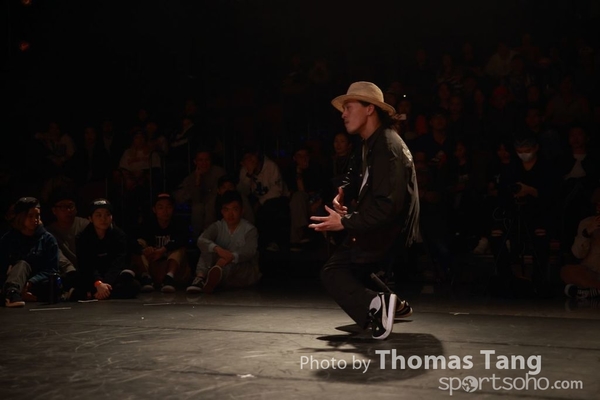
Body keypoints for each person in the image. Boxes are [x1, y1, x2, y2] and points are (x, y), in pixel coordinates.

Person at [308, 81, 420, 340]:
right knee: (355, 269)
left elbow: (386, 207)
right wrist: (344, 191)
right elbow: (355, 172)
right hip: (384, 226)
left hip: (388, 230)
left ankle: (377, 306)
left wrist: (344, 222)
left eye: (349, 107)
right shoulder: (370, 142)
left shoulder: (387, 147)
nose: (343, 114)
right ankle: (393, 304)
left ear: (370, 109)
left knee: (333, 272)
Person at [186, 190, 260, 294]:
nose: (230, 214)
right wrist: (218, 249)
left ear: (242, 210)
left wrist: (231, 257)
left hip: (242, 271)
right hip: (220, 263)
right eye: (226, 210)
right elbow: (201, 240)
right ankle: (200, 278)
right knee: (207, 248)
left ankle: (215, 278)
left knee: (232, 265)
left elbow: (249, 251)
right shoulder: (218, 226)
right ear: (222, 211)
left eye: (234, 209)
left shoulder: (250, 229)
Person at [74, 199, 140, 300]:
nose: (103, 219)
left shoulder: (119, 235)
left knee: (133, 285)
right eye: (98, 215)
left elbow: (118, 262)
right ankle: (100, 292)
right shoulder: (82, 237)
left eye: (107, 215)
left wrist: (106, 284)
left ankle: (98, 294)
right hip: (93, 277)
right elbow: (86, 264)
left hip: (112, 276)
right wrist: (98, 283)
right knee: (77, 282)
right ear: (90, 218)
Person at [1, 197, 59, 307]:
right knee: (22, 264)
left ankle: (20, 293)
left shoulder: (47, 239)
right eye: (30, 216)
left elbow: (52, 269)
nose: (35, 219)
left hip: (38, 283)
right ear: (21, 217)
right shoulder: (8, 239)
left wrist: (31, 282)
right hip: (14, 280)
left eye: (37, 216)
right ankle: (12, 292)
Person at [133, 193, 191, 293]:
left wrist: (164, 249)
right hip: (153, 261)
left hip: (172, 264)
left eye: (168, 207)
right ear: (154, 209)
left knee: (180, 249)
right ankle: (146, 277)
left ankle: (169, 278)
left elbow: (183, 239)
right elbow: (134, 241)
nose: (165, 211)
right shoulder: (147, 224)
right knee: (139, 244)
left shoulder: (179, 223)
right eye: (161, 207)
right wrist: (146, 250)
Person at [45, 190, 90, 294]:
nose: (68, 210)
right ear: (54, 210)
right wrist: (70, 270)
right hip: (65, 273)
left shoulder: (85, 225)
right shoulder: (49, 232)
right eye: (63, 207)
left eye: (71, 206)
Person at [561, 188, 600, 300]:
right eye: (598, 205)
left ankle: (589, 292)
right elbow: (578, 254)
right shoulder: (586, 223)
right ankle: (595, 290)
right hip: (591, 272)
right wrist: (586, 233)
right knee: (567, 271)